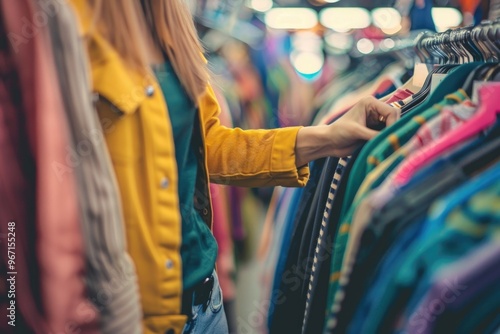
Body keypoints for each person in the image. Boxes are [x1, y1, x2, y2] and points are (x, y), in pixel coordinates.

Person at [68, 1, 400, 333]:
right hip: (130, 314)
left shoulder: (169, 21)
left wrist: (326, 137)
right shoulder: (68, 21)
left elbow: (209, 144)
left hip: (205, 303)